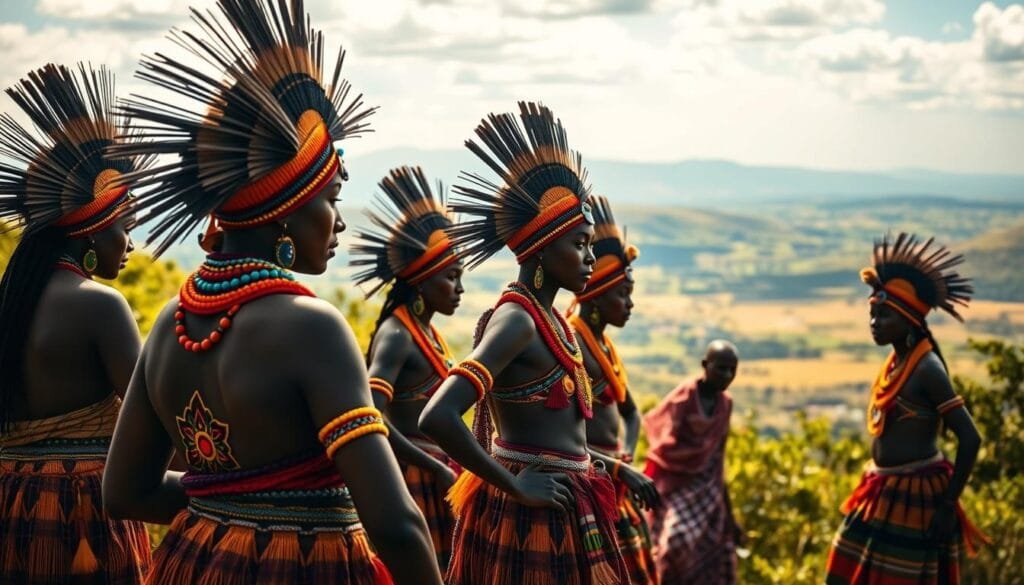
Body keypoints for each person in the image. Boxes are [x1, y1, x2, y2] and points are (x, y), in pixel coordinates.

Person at [101, 1, 444, 583]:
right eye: (332, 198)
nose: (338, 221)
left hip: (191, 564)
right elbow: (396, 525)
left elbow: (125, 491)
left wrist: (229, 514)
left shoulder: (169, 321)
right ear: (286, 211)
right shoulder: (313, 328)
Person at [420, 101, 654, 585]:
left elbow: (553, 435)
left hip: (566, 500)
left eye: (590, 245)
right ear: (545, 248)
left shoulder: (552, 320)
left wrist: (612, 467)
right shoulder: (517, 321)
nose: (589, 258)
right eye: (580, 245)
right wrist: (515, 486)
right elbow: (437, 415)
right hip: (529, 515)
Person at [0, 62, 152, 584]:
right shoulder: (99, 305)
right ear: (93, 229)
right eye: (126, 226)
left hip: (9, 500)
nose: (131, 244)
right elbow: (152, 424)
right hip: (82, 513)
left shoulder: (13, 300)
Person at [825, 232, 988, 585]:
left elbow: (970, 439)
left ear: (909, 319)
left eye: (884, 316)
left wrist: (947, 506)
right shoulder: (897, 361)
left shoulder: (927, 369)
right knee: (843, 571)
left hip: (916, 496)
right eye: (872, 314)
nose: (874, 324)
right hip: (881, 488)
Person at [350, 165, 464, 570]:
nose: (461, 289)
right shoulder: (398, 334)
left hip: (434, 477)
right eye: (452, 277)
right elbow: (371, 415)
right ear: (423, 279)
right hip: (412, 480)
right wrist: (432, 466)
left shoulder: (426, 331)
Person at [567, 195, 658, 584]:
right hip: (584, 482)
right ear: (598, 297)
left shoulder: (604, 346)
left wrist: (627, 457)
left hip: (613, 478)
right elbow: (559, 436)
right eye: (623, 294)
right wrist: (619, 468)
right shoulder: (572, 339)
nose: (630, 304)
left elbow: (631, 412)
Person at [643, 340, 742, 585]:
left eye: (732, 370)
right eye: (721, 368)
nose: (727, 375)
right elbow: (664, 445)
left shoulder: (725, 404)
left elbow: (718, 455)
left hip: (708, 488)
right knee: (676, 543)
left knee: (717, 550)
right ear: (705, 366)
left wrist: (729, 513)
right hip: (675, 484)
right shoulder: (685, 398)